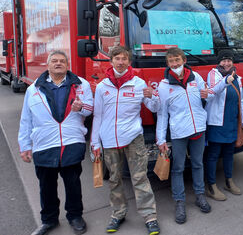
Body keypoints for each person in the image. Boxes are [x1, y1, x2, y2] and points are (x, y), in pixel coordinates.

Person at [18, 50, 93, 235]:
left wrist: (81, 107)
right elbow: (26, 119)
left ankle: (75, 216)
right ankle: (49, 220)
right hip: (44, 144)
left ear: (68, 65)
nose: (58, 63)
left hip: (71, 142)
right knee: (46, 186)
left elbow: (91, 109)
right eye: (54, 61)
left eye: (62, 61)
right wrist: (25, 145)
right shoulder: (33, 89)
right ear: (48, 65)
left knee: (73, 183)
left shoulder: (81, 84)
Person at [90, 46, 161, 235]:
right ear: (111, 61)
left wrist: (152, 96)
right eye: (117, 58)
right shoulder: (103, 87)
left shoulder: (138, 83)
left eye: (124, 59)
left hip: (133, 138)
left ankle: (150, 217)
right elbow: (97, 115)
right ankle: (118, 213)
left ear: (129, 62)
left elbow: (154, 108)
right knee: (114, 179)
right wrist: (95, 142)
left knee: (140, 177)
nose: (120, 62)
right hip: (109, 140)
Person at [156, 47, 211, 224]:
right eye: (171, 62)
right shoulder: (164, 85)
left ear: (184, 61)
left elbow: (207, 97)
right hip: (179, 132)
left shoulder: (197, 78)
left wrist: (207, 95)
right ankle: (179, 201)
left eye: (177, 60)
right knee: (178, 168)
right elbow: (162, 114)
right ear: (168, 64)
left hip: (198, 129)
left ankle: (200, 195)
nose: (174, 64)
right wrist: (161, 139)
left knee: (197, 163)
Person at [205, 49, 243, 201]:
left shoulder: (238, 77)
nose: (226, 63)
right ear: (219, 62)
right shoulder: (213, 74)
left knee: (229, 153)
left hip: (232, 121)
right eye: (223, 60)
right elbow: (211, 93)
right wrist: (225, 82)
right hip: (217, 122)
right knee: (213, 155)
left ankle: (229, 181)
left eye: (229, 60)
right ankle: (211, 186)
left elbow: (241, 100)